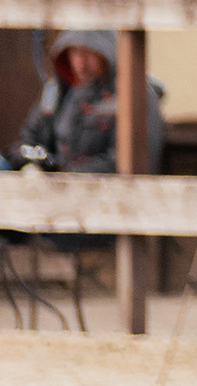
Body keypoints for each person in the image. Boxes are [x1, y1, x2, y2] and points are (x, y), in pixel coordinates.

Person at [1, 31, 165, 255]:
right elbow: (27, 140)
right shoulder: (58, 92)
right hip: (46, 199)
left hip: (100, 206)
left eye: (90, 54)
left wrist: (61, 175)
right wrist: (33, 164)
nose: (81, 63)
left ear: (109, 53)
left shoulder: (137, 94)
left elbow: (131, 163)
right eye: (75, 53)